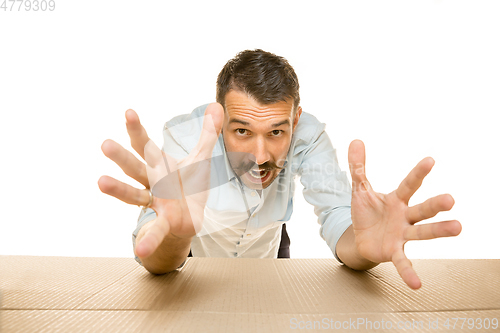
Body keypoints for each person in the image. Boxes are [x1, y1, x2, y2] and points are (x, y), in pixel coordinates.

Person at [98, 49, 461, 290]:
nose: (259, 156)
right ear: (220, 117)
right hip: (195, 260)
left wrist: (364, 248)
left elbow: (340, 221)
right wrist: (177, 237)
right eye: (242, 131)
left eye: (276, 132)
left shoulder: (308, 135)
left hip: (269, 253)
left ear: (295, 118)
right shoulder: (185, 141)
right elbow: (156, 255)